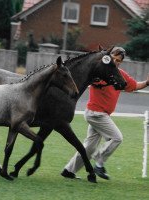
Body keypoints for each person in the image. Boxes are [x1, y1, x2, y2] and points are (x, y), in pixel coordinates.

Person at [61, 47, 149, 180]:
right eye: (113, 58)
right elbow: (93, 80)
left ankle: (68, 171)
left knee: (89, 148)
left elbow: (135, 85)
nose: (116, 62)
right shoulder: (99, 73)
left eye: (118, 61)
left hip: (101, 115)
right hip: (96, 114)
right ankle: (99, 162)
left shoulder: (120, 75)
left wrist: (147, 82)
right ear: (108, 57)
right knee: (117, 137)